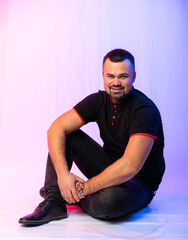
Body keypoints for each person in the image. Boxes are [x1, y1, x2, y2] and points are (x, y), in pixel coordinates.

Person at [19, 49, 165, 226]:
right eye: (110, 76)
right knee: (66, 135)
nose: (116, 82)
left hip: (138, 183)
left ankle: (67, 196)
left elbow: (129, 167)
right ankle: (55, 201)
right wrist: (63, 176)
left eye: (123, 76)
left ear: (134, 77)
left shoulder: (144, 111)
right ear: (103, 76)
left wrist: (81, 190)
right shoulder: (98, 100)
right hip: (107, 166)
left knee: (108, 202)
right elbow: (55, 129)